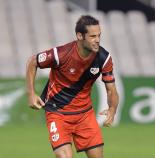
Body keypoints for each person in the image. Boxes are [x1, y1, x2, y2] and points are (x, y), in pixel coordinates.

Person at [26, 15, 119, 158]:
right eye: (93, 36)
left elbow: (111, 89)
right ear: (80, 36)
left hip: (84, 115)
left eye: (99, 35)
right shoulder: (60, 54)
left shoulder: (103, 58)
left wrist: (112, 109)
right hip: (57, 113)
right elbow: (32, 61)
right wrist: (31, 93)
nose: (98, 40)